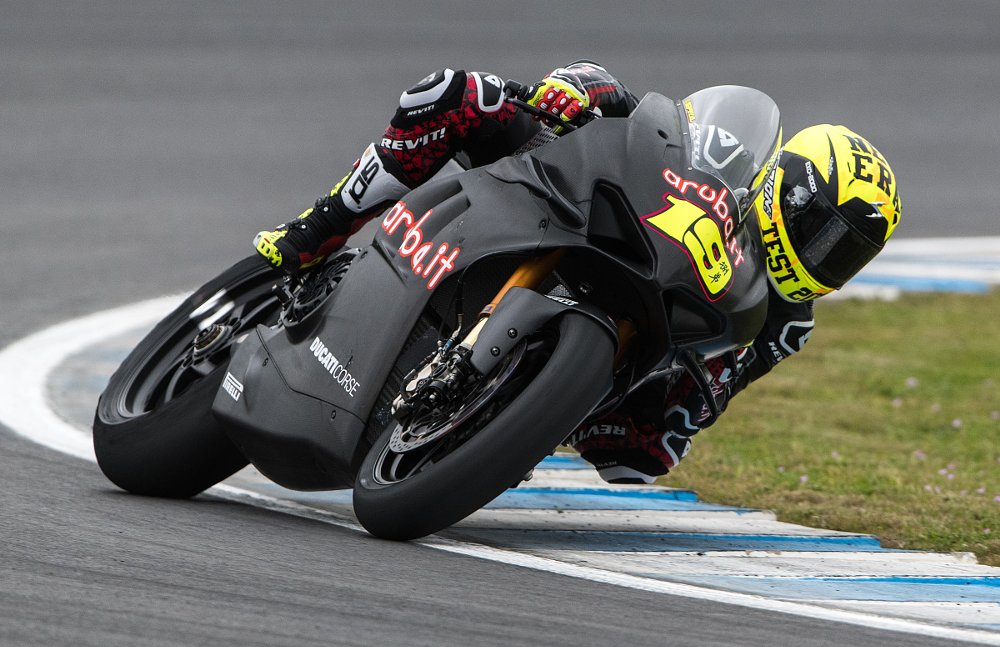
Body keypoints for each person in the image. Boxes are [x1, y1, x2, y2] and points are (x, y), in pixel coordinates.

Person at [253, 62, 902, 484]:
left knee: (640, 455)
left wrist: (685, 394)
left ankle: (507, 412)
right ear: (786, 189)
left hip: (639, 346)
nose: (823, 256)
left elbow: (691, 416)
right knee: (455, 96)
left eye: (845, 254)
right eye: (822, 231)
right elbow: (647, 116)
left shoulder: (784, 321)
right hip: (573, 200)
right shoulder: (727, 155)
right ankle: (317, 230)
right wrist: (581, 90)